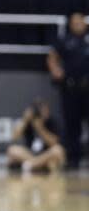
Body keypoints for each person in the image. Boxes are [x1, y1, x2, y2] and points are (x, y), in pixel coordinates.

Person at [47, 12, 89, 169]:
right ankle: (73, 160)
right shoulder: (64, 40)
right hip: (71, 89)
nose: (78, 24)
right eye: (75, 21)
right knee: (72, 126)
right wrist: (55, 70)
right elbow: (52, 56)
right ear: (70, 24)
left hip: (88, 88)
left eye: (81, 21)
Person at [6, 100, 65, 173]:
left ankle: (31, 165)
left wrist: (40, 128)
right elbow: (14, 137)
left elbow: (54, 143)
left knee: (58, 150)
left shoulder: (52, 122)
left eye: (44, 110)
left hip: (46, 153)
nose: (41, 114)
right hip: (30, 154)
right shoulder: (28, 121)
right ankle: (38, 165)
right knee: (12, 150)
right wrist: (25, 120)